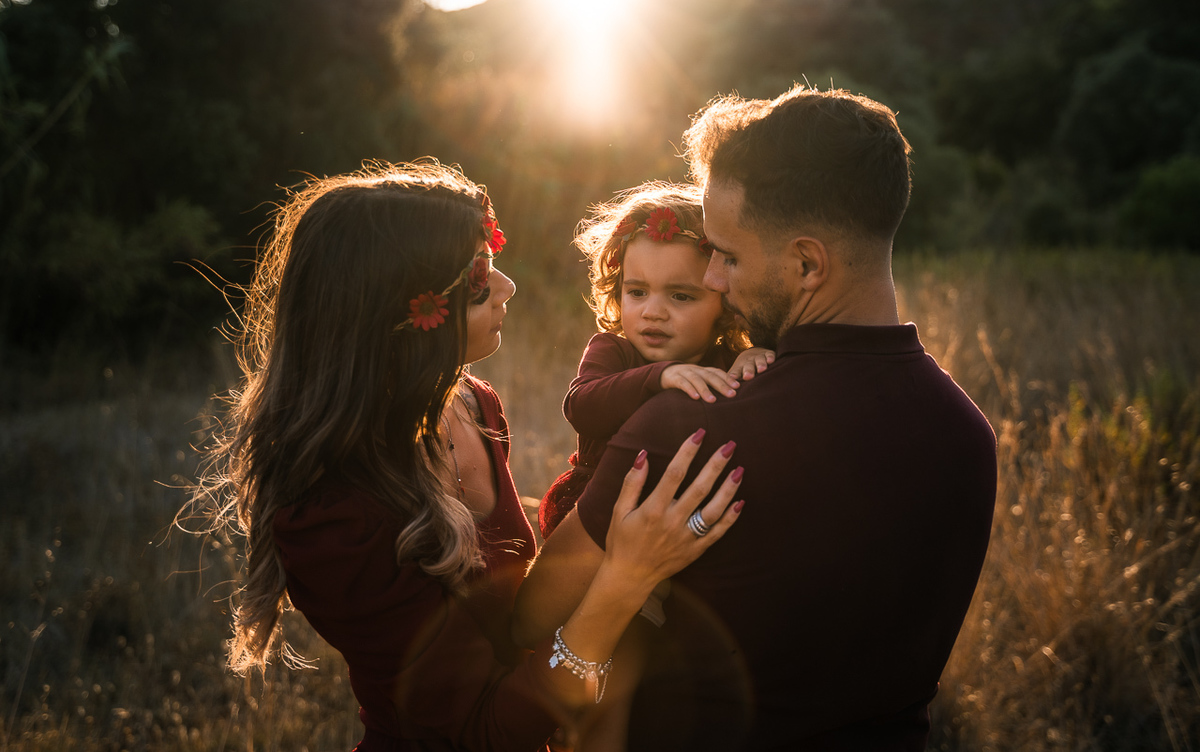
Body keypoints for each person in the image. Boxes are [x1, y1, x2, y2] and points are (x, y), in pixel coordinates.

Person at [199, 160, 748, 752]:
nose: (510, 287)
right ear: (403, 312)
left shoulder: (470, 404)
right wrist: (627, 576)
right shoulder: (333, 517)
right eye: (481, 279)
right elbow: (479, 733)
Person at [513, 87, 998, 751]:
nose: (713, 279)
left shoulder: (689, 433)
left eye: (729, 256)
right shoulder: (968, 435)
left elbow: (531, 622)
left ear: (806, 264)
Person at [538, 182, 774, 540]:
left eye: (680, 296)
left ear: (724, 303)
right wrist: (661, 376)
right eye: (637, 291)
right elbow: (581, 405)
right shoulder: (612, 351)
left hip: (684, 523)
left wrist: (752, 360)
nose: (653, 312)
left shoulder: (727, 361)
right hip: (598, 525)